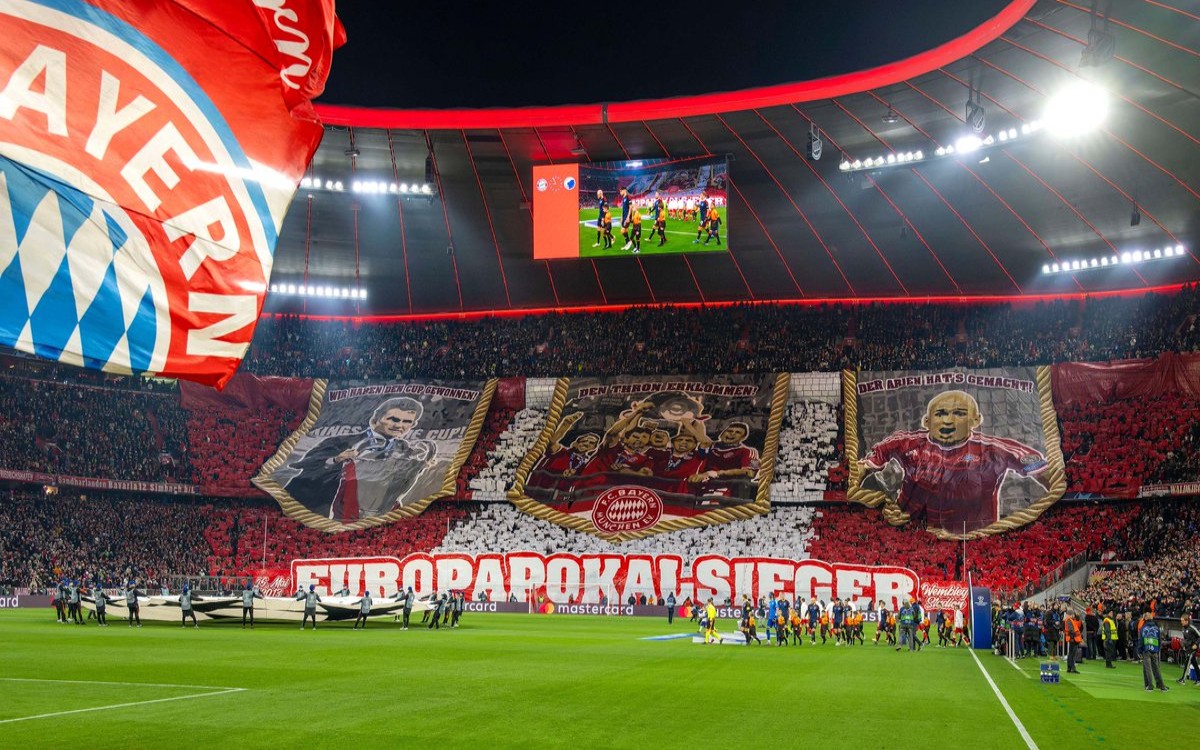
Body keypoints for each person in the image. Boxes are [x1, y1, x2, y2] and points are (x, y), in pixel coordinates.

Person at [858, 390, 1049, 533]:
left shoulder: (994, 449)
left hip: (974, 538)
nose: (948, 421)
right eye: (940, 414)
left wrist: (1055, 492)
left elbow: (1040, 470)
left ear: (975, 420)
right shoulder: (905, 442)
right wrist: (880, 504)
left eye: (959, 413)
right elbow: (863, 468)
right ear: (926, 421)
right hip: (915, 533)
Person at [284, 397, 438, 523]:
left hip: (383, 517)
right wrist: (337, 459)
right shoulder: (343, 441)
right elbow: (305, 465)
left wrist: (423, 466)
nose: (399, 425)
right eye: (393, 419)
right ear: (377, 417)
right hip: (336, 515)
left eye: (407, 422)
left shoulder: (407, 450)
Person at [1139, 612, 1168, 692]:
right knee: (1156, 668)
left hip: (1146, 649)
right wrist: (1158, 649)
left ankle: (1150, 686)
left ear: (1145, 618)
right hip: (1155, 650)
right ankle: (1162, 686)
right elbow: (1159, 640)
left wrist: (1139, 650)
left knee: (1148, 668)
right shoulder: (1156, 627)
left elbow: (1141, 640)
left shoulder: (1143, 628)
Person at [1177, 613, 1200, 686]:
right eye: (1181, 621)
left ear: (1187, 621)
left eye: (1183, 621)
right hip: (1188, 648)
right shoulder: (1183, 629)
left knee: (1187, 662)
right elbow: (1186, 639)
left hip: (1193, 649)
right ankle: (1199, 679)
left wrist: (1196, 644)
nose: (1181, 622)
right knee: (1194, 664)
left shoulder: (1192, 628)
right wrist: (1184, 645)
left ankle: (1183, 679)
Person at [1064, 609, 1084, 674]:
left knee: (1071, 654)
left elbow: (1078, 622)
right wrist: (1073, 637)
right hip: (1074, 639)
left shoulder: (1070, 620)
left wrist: (1077, 615)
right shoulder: (1069, 620)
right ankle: (1072, 668)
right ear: (1071, 614)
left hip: (1073, 639)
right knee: (1073, 654)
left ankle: (1069, 668)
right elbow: (1071, 630)